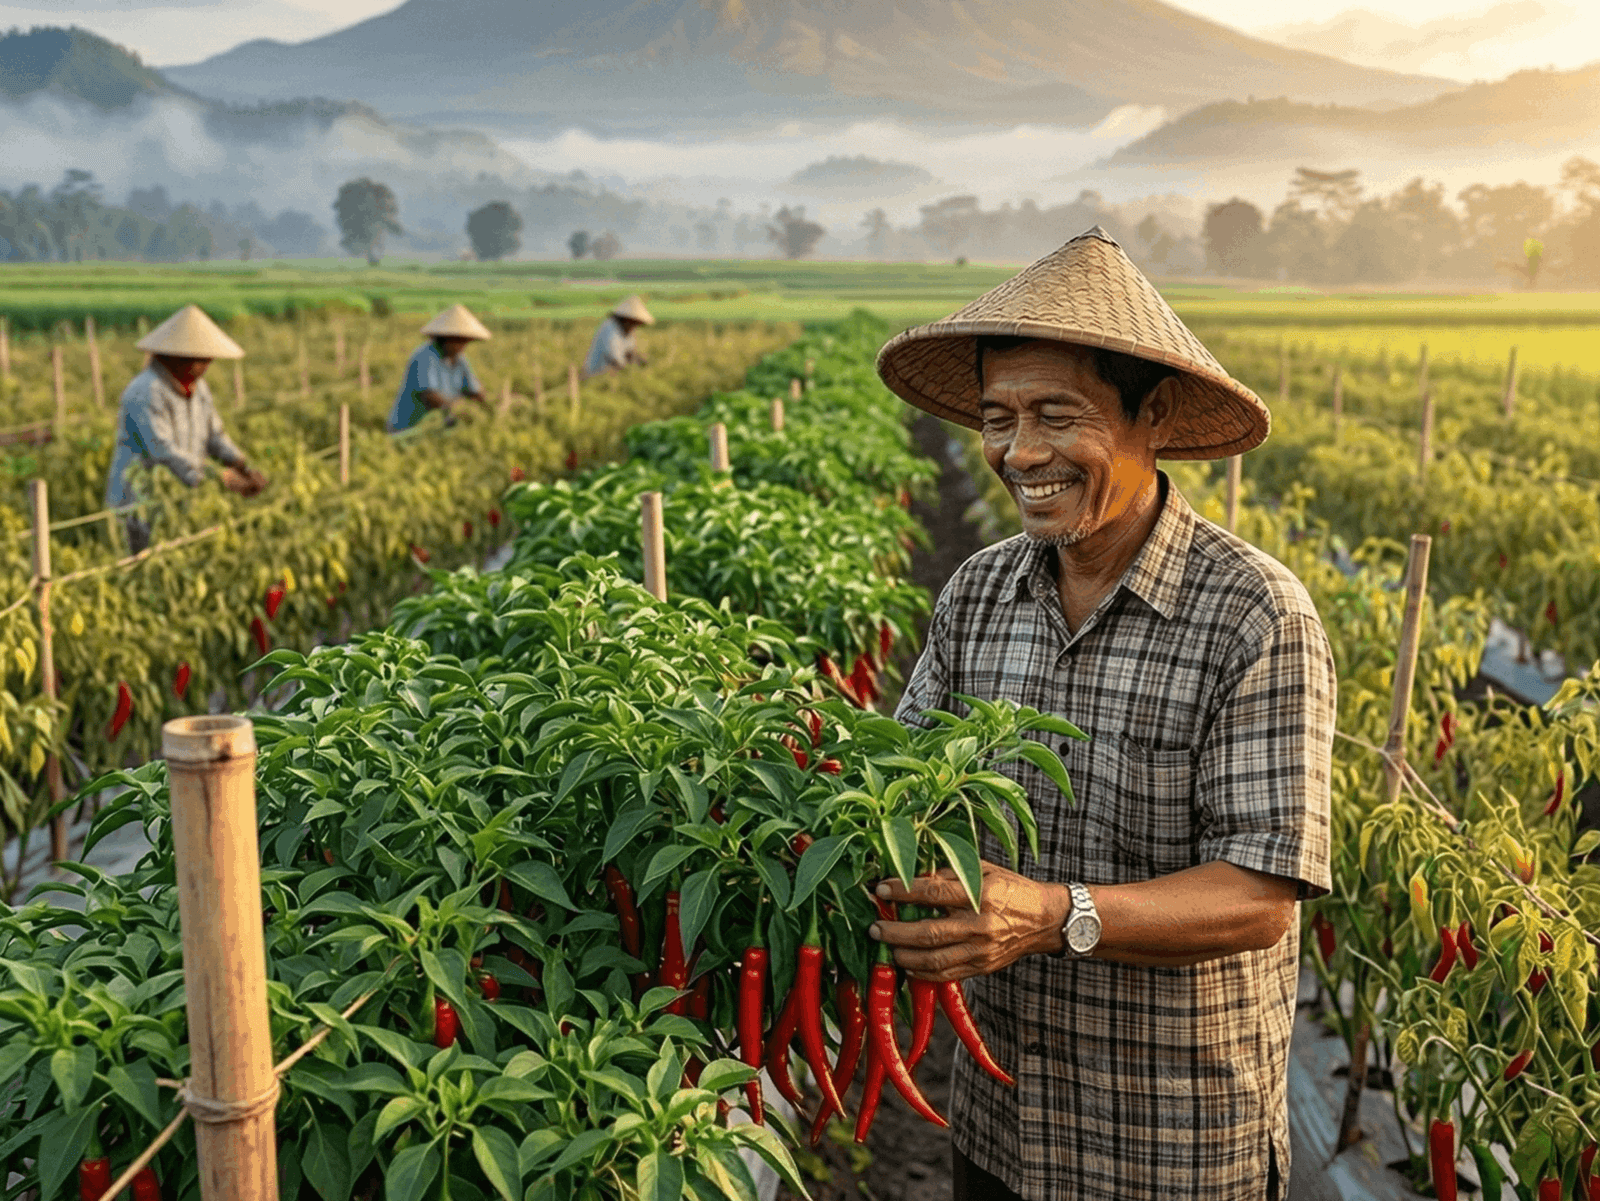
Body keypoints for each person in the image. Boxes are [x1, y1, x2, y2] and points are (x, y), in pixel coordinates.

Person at [872, 227, 1334, 1201]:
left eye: (1054, 414)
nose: (1018, 452)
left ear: (1151, 412)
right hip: (1001, 1122)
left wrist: (1048, 915)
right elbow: (901, 786)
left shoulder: (1251, 614)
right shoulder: (979, 592)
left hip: (1166, 1148)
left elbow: (1260, 894)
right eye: (998, 418)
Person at [107, 304, 267, 553]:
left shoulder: (199, 389)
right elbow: (162, 450)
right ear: (178, 357)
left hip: (181, 498)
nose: (208, 363)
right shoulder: (145, 391)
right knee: (142, 563)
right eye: (201, 358)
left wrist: (240, 462)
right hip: (141, 502)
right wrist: (220, 477)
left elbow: (215, 435)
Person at [388, 304, 491, 433]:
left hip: (436, 428)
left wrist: (489, 407)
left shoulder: (460, 359)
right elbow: (430, 396)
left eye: (465, 341)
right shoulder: (425, 356)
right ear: (446, 338)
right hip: (409, 428)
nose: (462, 346)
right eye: (459, 341)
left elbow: (474, 390)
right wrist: (458, 409)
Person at [582, 295, 653, 379]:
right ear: (627, 319)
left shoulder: (627, 331)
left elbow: (629, 353)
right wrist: (630, 373)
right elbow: (614, 360)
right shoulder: (610, 329)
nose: (634, 327)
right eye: (634, 323)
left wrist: (642, 363)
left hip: (612, 376)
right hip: (596, 377)